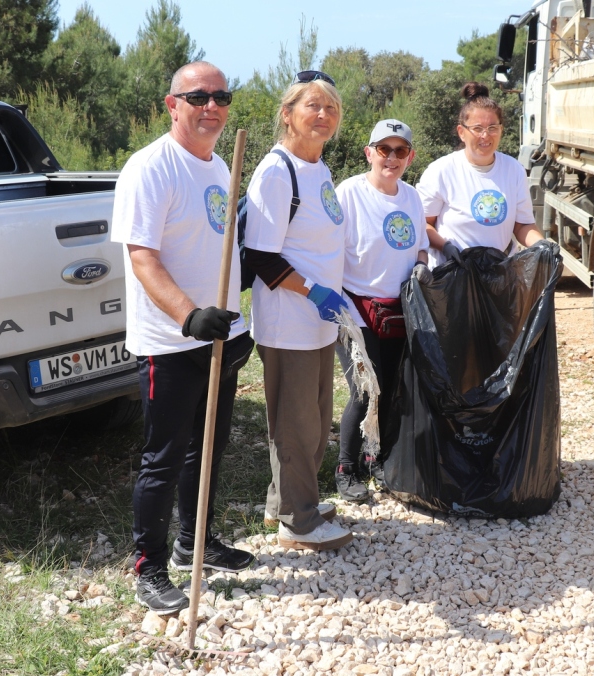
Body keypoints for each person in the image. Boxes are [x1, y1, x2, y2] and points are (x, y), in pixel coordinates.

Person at [112, 61, 255, 615]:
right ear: (172, 104)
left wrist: (233, 325)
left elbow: (219, 255)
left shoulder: (221, 166)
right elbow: (142, 258)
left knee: (209, 450)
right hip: (171, 343)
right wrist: (189, 316)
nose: (211, 106)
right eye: (198, 97)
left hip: (218, 338)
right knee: (164, 458)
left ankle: (196, 541)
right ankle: (149, 568)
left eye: (221, 96)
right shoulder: (150, 168)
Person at [242, 70, 354, 551]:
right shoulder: (276, 171)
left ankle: (283, 501)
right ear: (288, 114)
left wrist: (336, 295)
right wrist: (315, 292)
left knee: (313, 417)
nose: (323, 115)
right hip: (289, 322)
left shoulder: (321, 170)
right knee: (295, 423)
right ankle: (299, 521)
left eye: (331, 107)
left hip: (319, 324)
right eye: (313, 105)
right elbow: (263, 257)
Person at [333, 119, 429, 502]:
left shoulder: (411, 197)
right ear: (368, 152)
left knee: (392, 389)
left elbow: (420, 246)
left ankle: (378, 459)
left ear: (410, 157)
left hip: (399, 308)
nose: (391, 158)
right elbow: (330, 252)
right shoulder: (349, 194)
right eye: (383, 150)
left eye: (400, 150)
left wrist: (422, 265)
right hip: (355, 306)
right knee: (365, 391)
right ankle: (345, 467)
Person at [417, 82, 543, 267]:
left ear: (501, 130)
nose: (485, 135)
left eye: (492, 128)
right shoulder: (441, 171)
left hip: (500, 278)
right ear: (462, 132)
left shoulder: (513, 170)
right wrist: (445, 247)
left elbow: (522, 225)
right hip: (453, 278)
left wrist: (542, 245)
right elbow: (422, 225)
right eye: (477, 128)